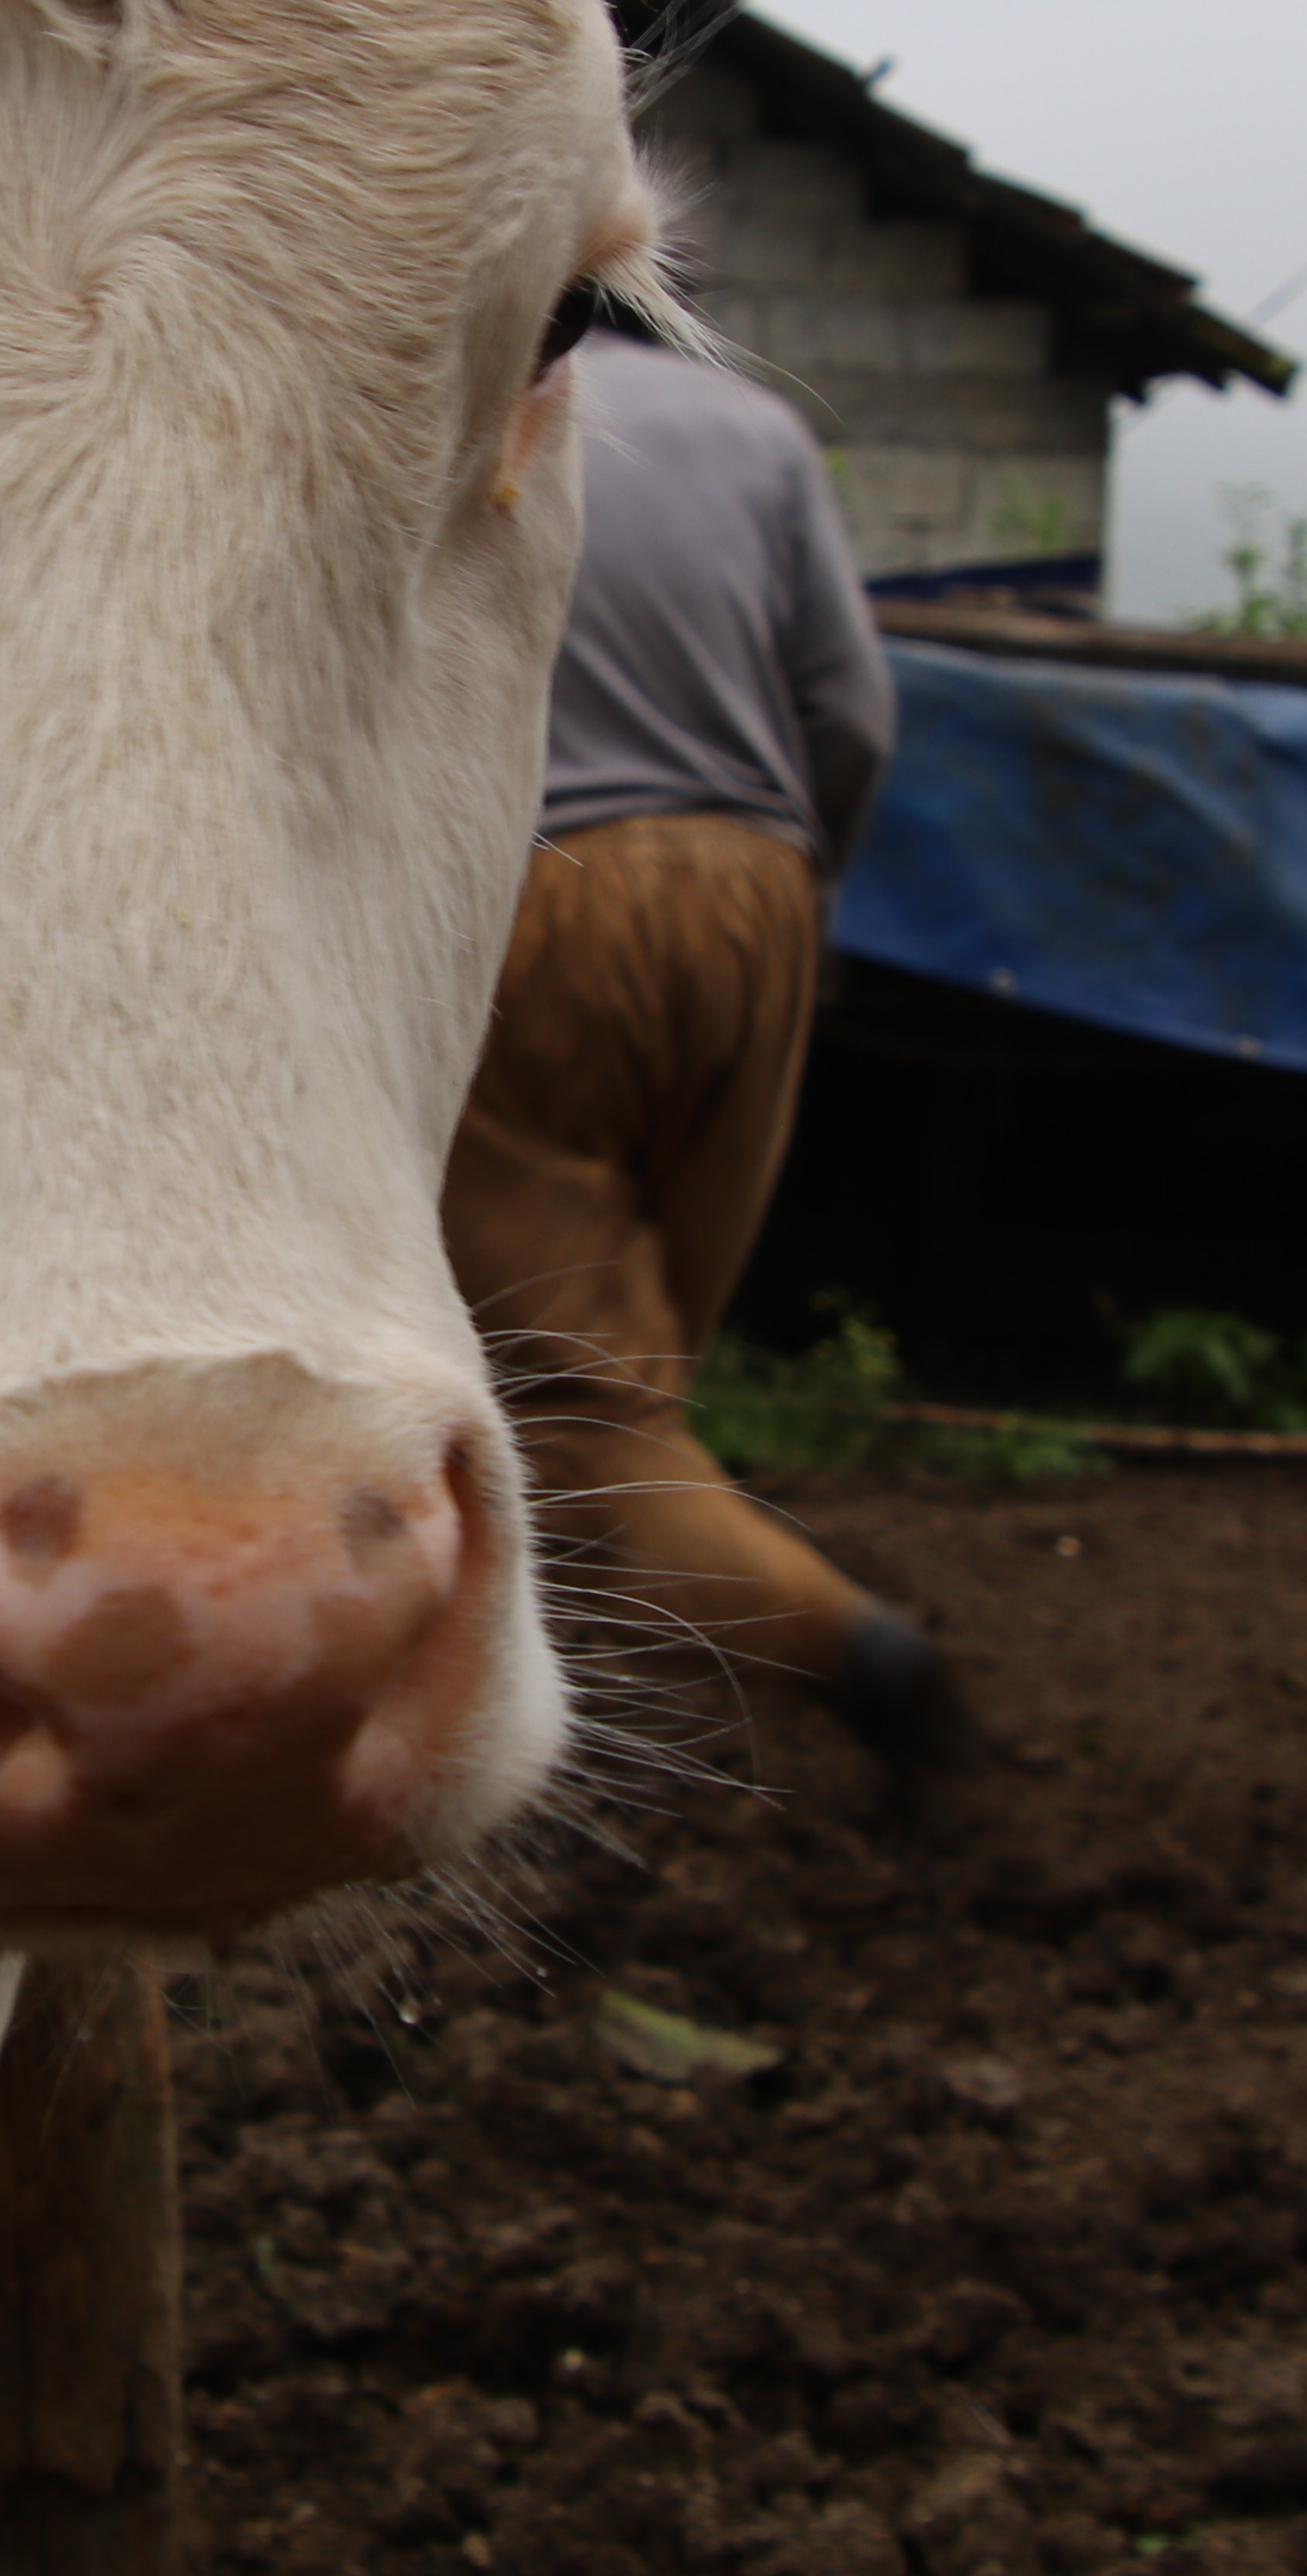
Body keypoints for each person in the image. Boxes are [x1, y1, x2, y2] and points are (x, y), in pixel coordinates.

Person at [444, 297, 979, 1769]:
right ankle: (585, 1679)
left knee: (570, 1407)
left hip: (544, 895)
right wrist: (804, 899)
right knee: (642, 1366)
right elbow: (853, 714)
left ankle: (866, 1663)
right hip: (762, 892)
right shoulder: (758, 429)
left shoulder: (465, 405)